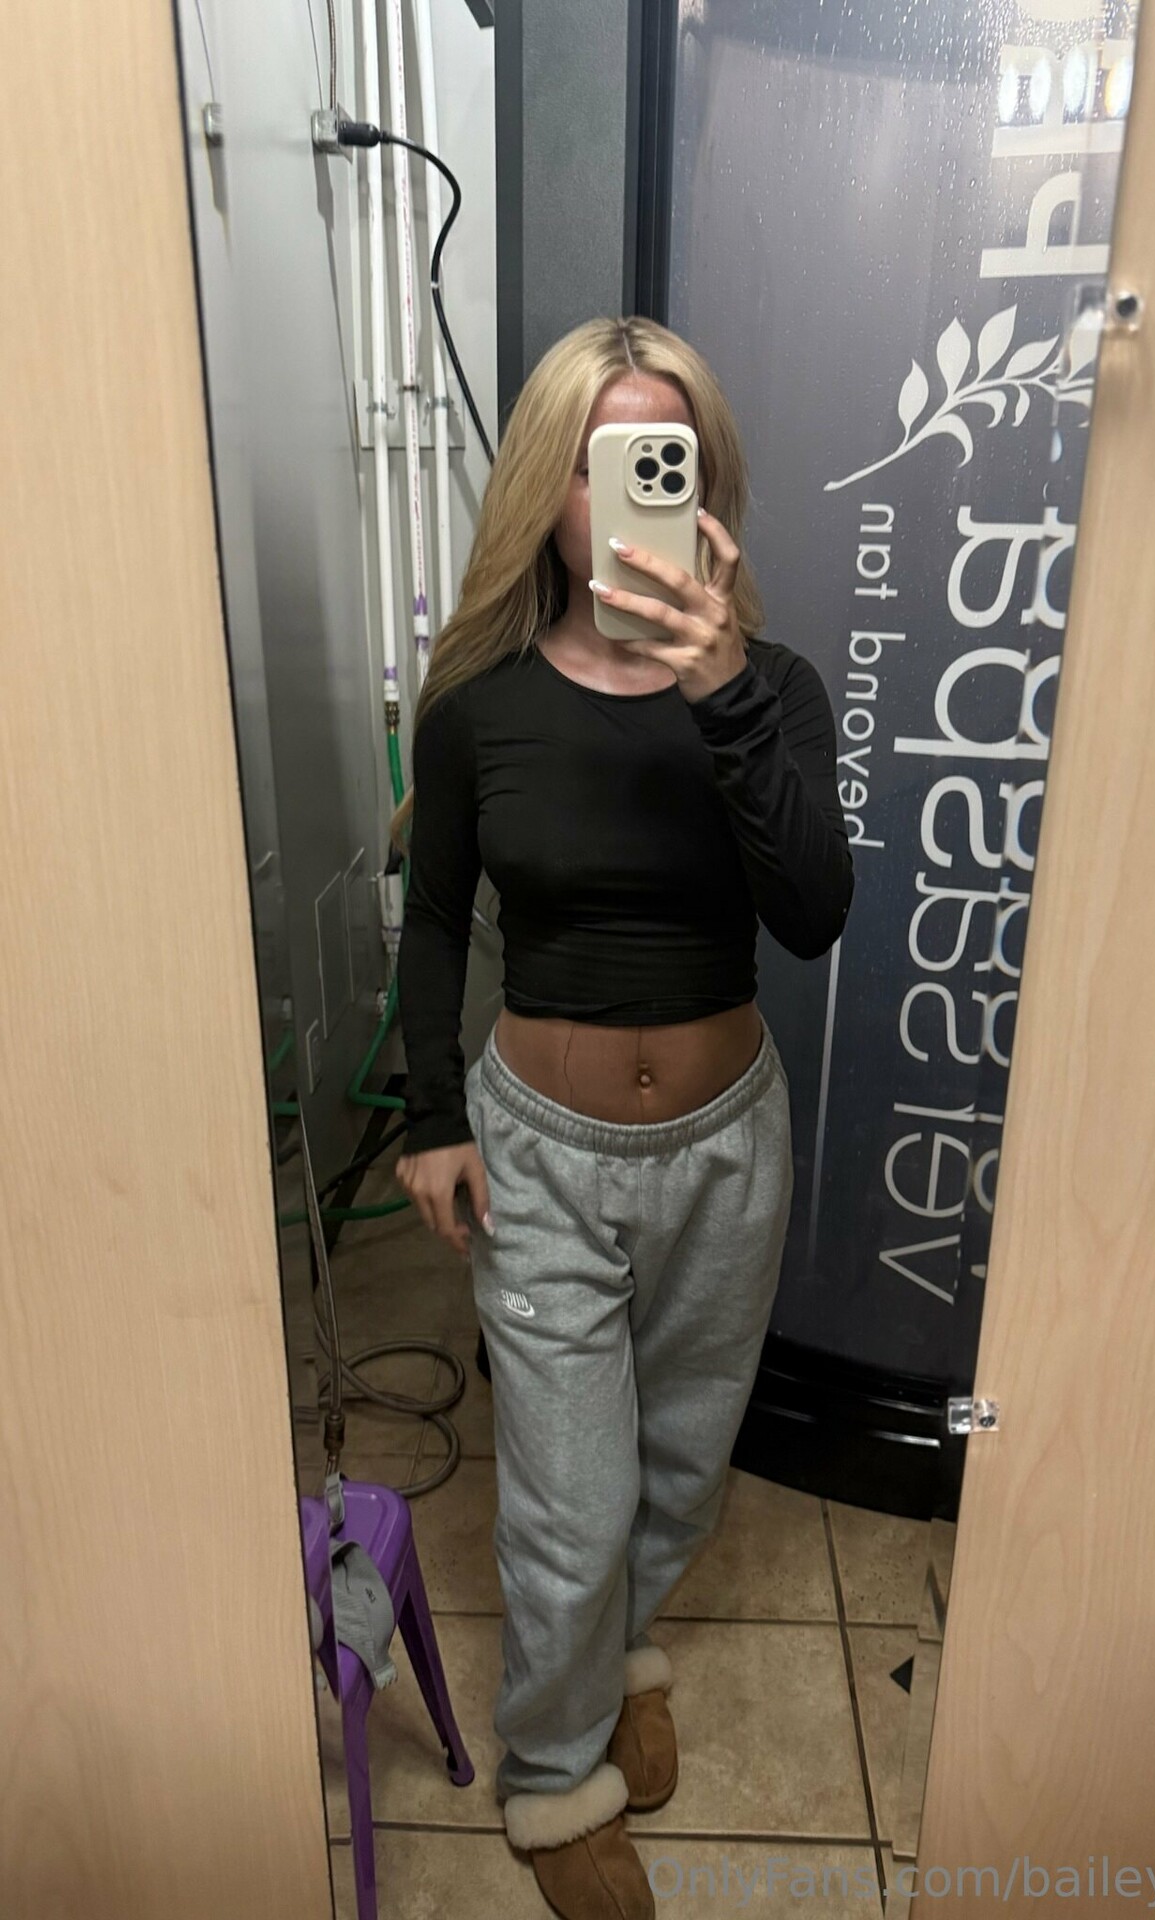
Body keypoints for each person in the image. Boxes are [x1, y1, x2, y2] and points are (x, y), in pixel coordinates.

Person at [389, 314, 854, 1920]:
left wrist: (721, 696)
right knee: (568, 1500)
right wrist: (428, 1115)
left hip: (729, 1147)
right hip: (540, 1151)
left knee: (679, 1460)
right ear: (553, 492)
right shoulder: (479, 711)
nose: (645, 492)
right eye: (610, 463)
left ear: (707, 490)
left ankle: (618, 1657)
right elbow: (432, 922)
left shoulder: (774, 692)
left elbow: (815, 917)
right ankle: (553, 1776)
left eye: (675, 458)